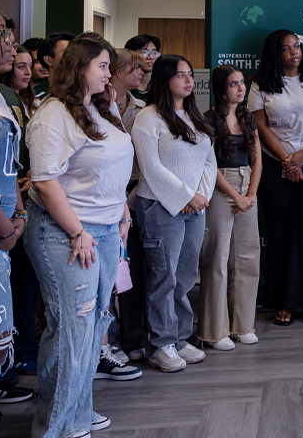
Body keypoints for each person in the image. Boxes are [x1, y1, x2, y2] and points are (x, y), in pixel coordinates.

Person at [26, 34, 134, 436]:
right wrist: (78, 231)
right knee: (73, 328)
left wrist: (121, 214)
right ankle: (56, 426)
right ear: (80, 68)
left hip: (105, 230)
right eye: (103, 65)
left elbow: (113, 166)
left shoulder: (100, 107)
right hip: (67, 233)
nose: (110, 73)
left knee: (92, 327)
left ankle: (76, 409)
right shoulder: (53, 114)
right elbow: (46, 182)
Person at [132, 55, 217, 373]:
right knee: (163, 276)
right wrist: (184, 197)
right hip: (159, 206)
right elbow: (150, 168)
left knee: (184, 275)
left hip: (195, 208)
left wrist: (201, 197)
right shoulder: (148, 118)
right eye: (181, 75)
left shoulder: (194, 116)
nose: (189, 80)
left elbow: (209, 162)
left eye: (190, 75)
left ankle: (181, 338)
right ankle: (160, 344)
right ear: (164, 79)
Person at [249, 30, 303, 326]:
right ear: (274, 53)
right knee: (279, 232)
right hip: (274, 165)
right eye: (286, 49)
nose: (294, 52)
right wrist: (286, 160)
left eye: (296, 46)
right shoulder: (259, 85)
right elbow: (260, 126)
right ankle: (280, 302)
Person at [198, 65, 262, 350]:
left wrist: (249, 194)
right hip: (219, 185)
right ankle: (215, 331)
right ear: (221, 89)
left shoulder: (248, 118)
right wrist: (235, 197)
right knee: (218, 259)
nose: (240, 88)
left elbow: (257, 159)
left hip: (248, 186)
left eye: (242, 83)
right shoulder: (209, 120)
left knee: (247, 256)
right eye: (233, 84)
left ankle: (243, 325)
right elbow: (209, 166)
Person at [0, 10, 30, 407]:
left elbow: (10, 166)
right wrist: (6, 229)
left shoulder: (1, 97)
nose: (9, 42)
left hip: (7, 224)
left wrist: (18, 214)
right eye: (0, 34)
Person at [109, 50, 149, 361]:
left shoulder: (142, 110)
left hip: (134, 196)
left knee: (131, 270)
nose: (142, 73)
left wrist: (129, 203)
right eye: (136, 69)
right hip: (103, 197)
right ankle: (106, 342)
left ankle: (134, 337)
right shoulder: (95, 105)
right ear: (119, 72)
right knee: (103, 276)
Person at [33, 32, 74, 100]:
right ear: (48, 60)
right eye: (66, 52)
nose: (73, 57)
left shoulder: (81, 94)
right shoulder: (34, 96)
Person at [124, 34, 161, 101]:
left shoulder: (160, 87)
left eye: (154, 53)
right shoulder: (124, 87)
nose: (150, 57)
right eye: (145, 52)